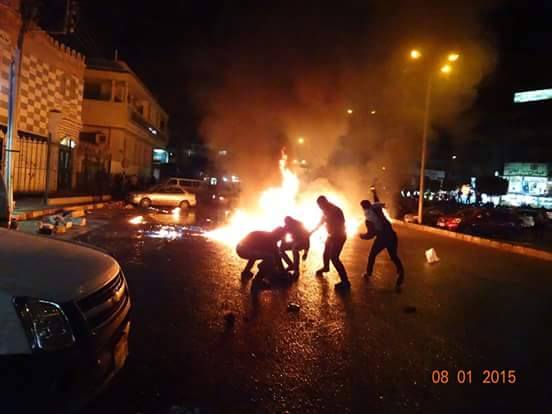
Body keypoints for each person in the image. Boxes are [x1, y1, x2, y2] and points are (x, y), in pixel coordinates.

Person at [360, 187, 404, 290]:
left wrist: (362, 236)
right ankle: (401, 271)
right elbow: (377, 202)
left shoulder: (368, 218)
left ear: (363, 208)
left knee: (372, 255)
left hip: (382, 238)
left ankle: (368, 273)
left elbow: (371, 234)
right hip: (392, 235)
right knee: (393, 256)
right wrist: (374, 192)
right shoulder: (377, 209)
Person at [311, 195, 350, 290]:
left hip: (339, 236)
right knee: (326, 253)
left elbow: (342, 223)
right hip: (332, 236)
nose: (319, 207)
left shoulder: (335, 210)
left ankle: (345, 281)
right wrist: (311, 232)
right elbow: (321, 222)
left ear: (325, 202)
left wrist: (334, 232)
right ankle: (326, 267)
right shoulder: (325, 211)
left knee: (334, 258)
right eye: (319, 206)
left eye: (320, 205)